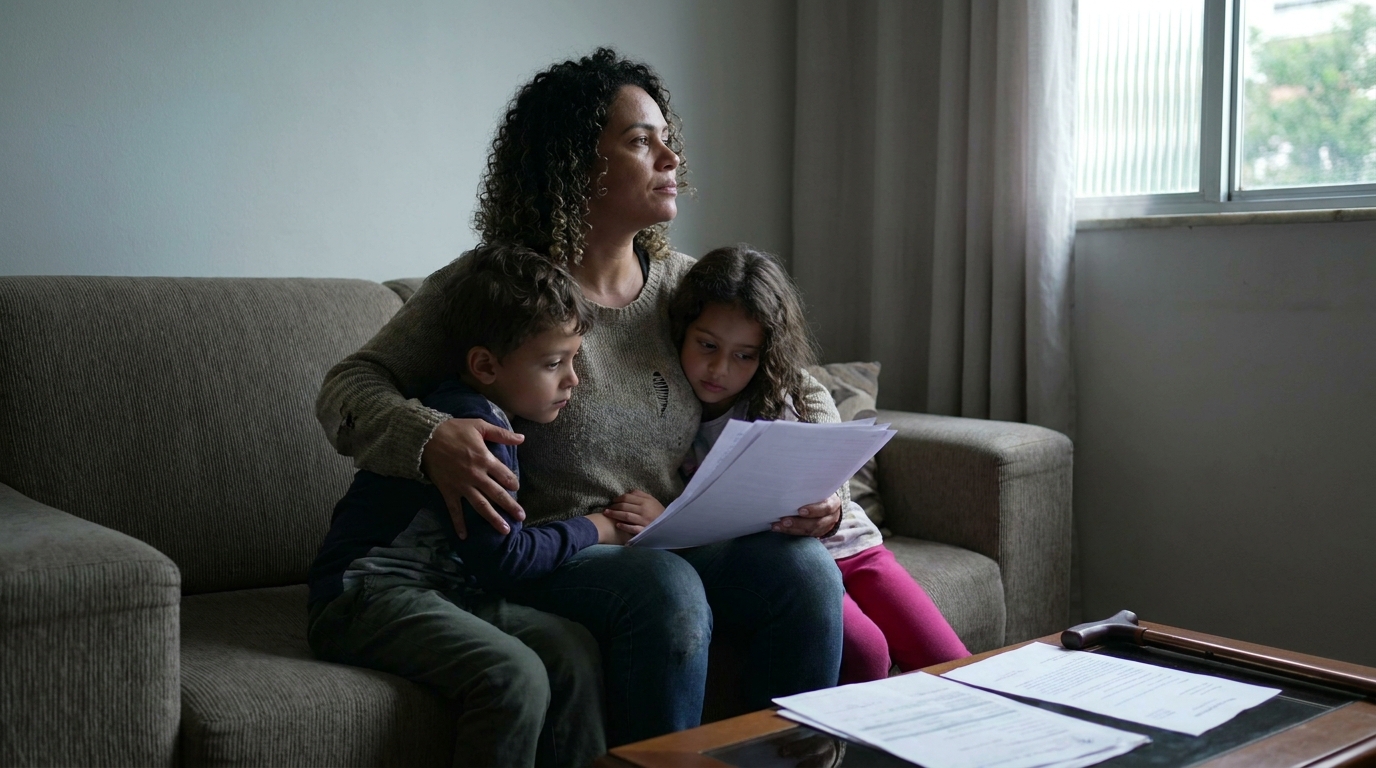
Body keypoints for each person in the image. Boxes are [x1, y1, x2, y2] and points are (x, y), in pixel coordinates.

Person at [315, 48, 844, 747]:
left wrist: (827, 487)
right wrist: (429, 439)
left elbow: (801, 385)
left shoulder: (683, 285)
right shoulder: (498, 289)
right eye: (639, 141)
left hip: (669, 536)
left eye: (666, 137)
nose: (669, 157)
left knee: (805, 573)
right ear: (573, 164)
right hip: (544, 555)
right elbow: (347, 388)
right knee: (663, 589)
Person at [307, 244, 654, 768]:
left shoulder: (495, 416)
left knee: (573, 648)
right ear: (485, 365)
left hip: (447, 589)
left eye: (574, 359)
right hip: (366, 593)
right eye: (553, 363)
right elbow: (506, 560)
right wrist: (599, 526)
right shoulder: (476, 431)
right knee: (514, 675)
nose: (572, 380)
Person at [668, 245, 971, 685]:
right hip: (786, 563)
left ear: (765, 352)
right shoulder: (666, 411)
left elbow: (836, 483)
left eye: (744, 355)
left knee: (951, 661)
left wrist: (831, 508)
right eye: (707, 345)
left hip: (853, 547)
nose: (720, 369)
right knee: (867, 652)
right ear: (683, 331)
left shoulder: (791, 394)